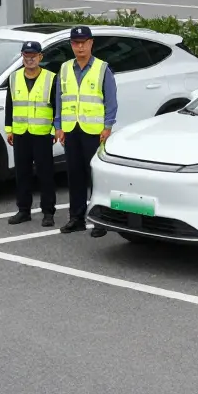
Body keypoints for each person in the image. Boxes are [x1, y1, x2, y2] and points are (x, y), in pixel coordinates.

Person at [54, 25, 117, 237]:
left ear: (91, 43)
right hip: (72, 129)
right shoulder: (64, 69)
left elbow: (111, 101)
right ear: (71, 45)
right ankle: (77, 218)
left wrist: (108, 127)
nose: (80, 47)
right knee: (75, 175)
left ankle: (100, 220)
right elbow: (59, 99)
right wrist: (59, 126)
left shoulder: (102, 69)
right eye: (75, 43)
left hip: (94, 130)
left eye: (84, 43)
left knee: (95, 177)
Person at [5, 41, 58, 227]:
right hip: (20, 133)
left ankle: (48, 212)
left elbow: (56, 107)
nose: (30, 59)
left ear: (40, 57)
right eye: (26, 56)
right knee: (22, 174)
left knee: (45, 174)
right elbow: (10, 105)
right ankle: (24, 210)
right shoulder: (14, 78)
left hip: (42, 133)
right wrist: (9, 130)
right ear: (22, 57)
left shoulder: (51, 78)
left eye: (33, 56)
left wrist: (54, 130)